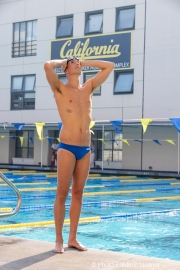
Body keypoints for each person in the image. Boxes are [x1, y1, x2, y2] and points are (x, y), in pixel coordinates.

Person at [44, 56, 114, 254]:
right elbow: (47, 66)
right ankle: (58, 240)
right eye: (73, 63)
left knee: (78, 193)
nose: (77, 64)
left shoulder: (89, 86)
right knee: (62, 193)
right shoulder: (59, 88)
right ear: (66, 69)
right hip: (67, 146)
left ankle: (72, 238)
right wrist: (64, 61)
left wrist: (85, 61)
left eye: (78, 62)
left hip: (85, 148)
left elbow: (110, 66)